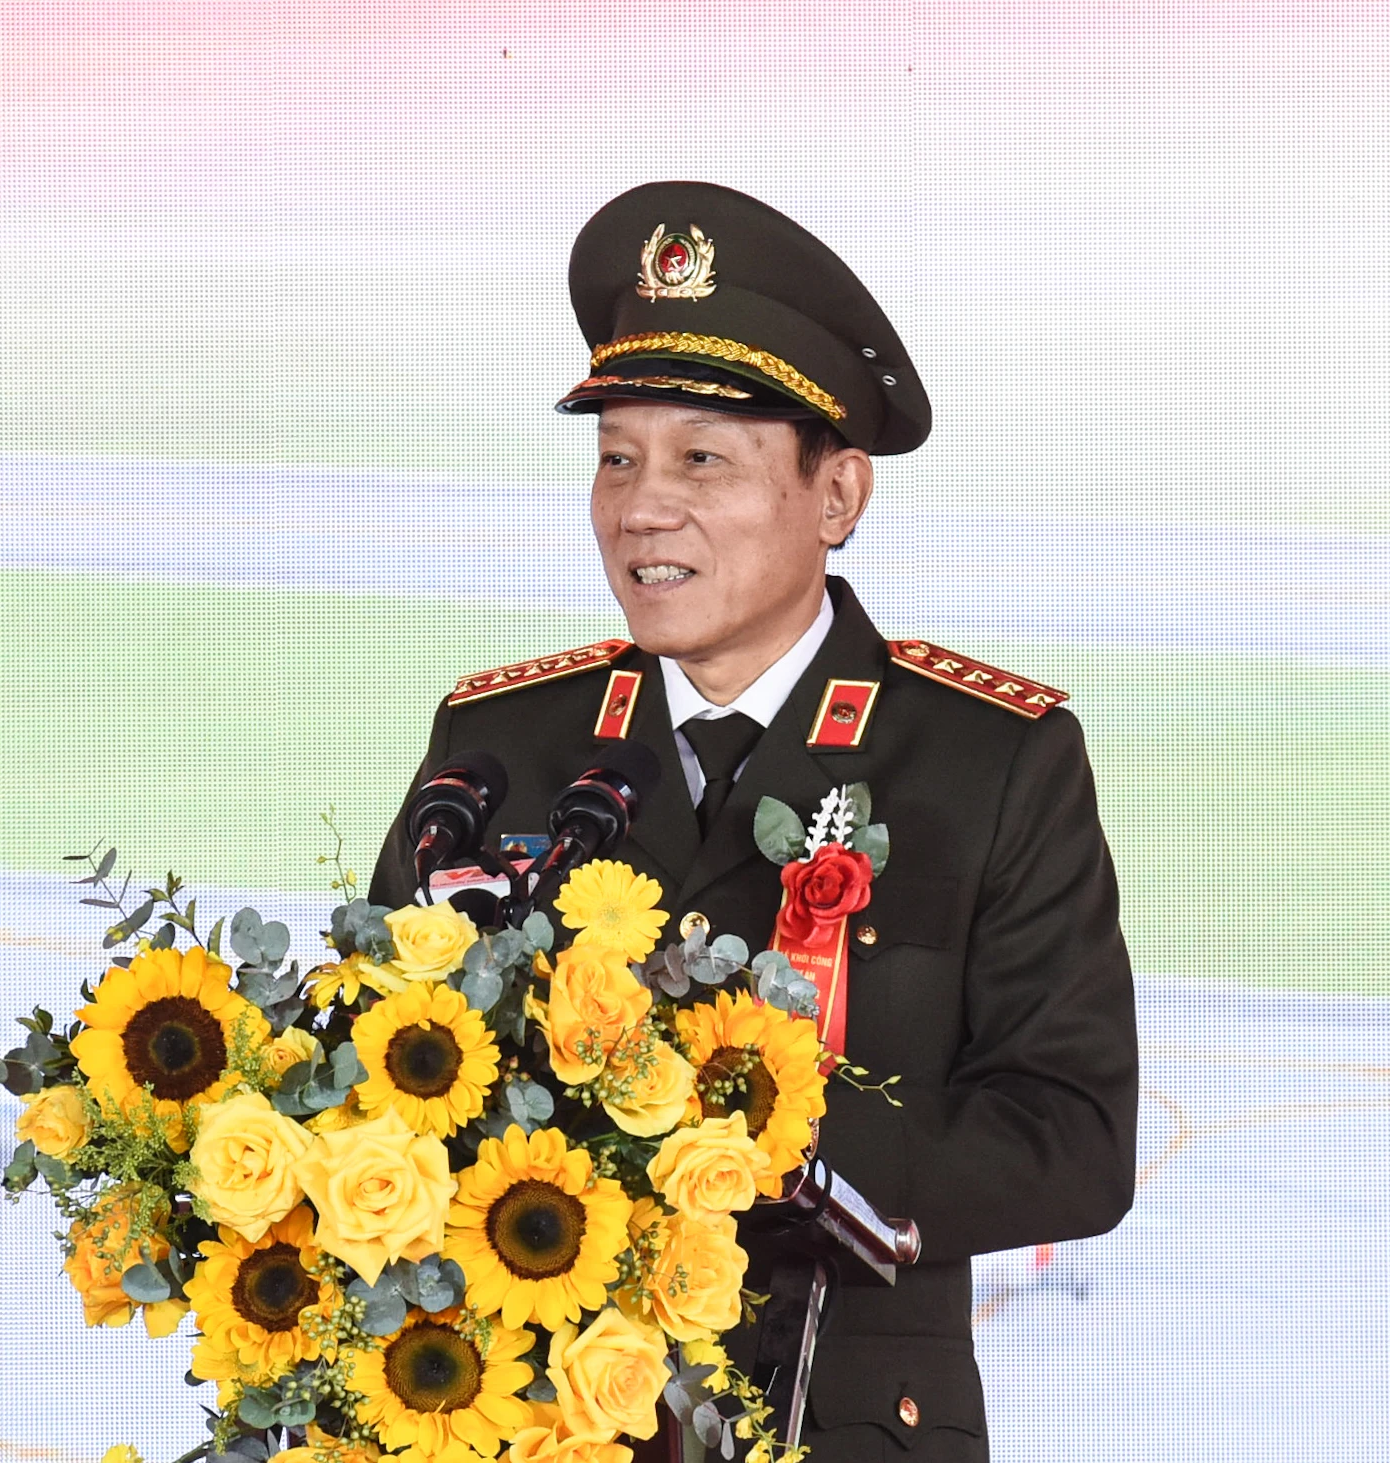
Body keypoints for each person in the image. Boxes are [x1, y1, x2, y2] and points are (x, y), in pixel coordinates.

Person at [369, 181, 1138, 1462]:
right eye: (616, 456)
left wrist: (776, 1142)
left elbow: (1076, 1136)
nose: (639, 507)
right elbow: (382, 1046)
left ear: (837, 496)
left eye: (700, 460)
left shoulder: (990, 757)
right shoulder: (500, 744)